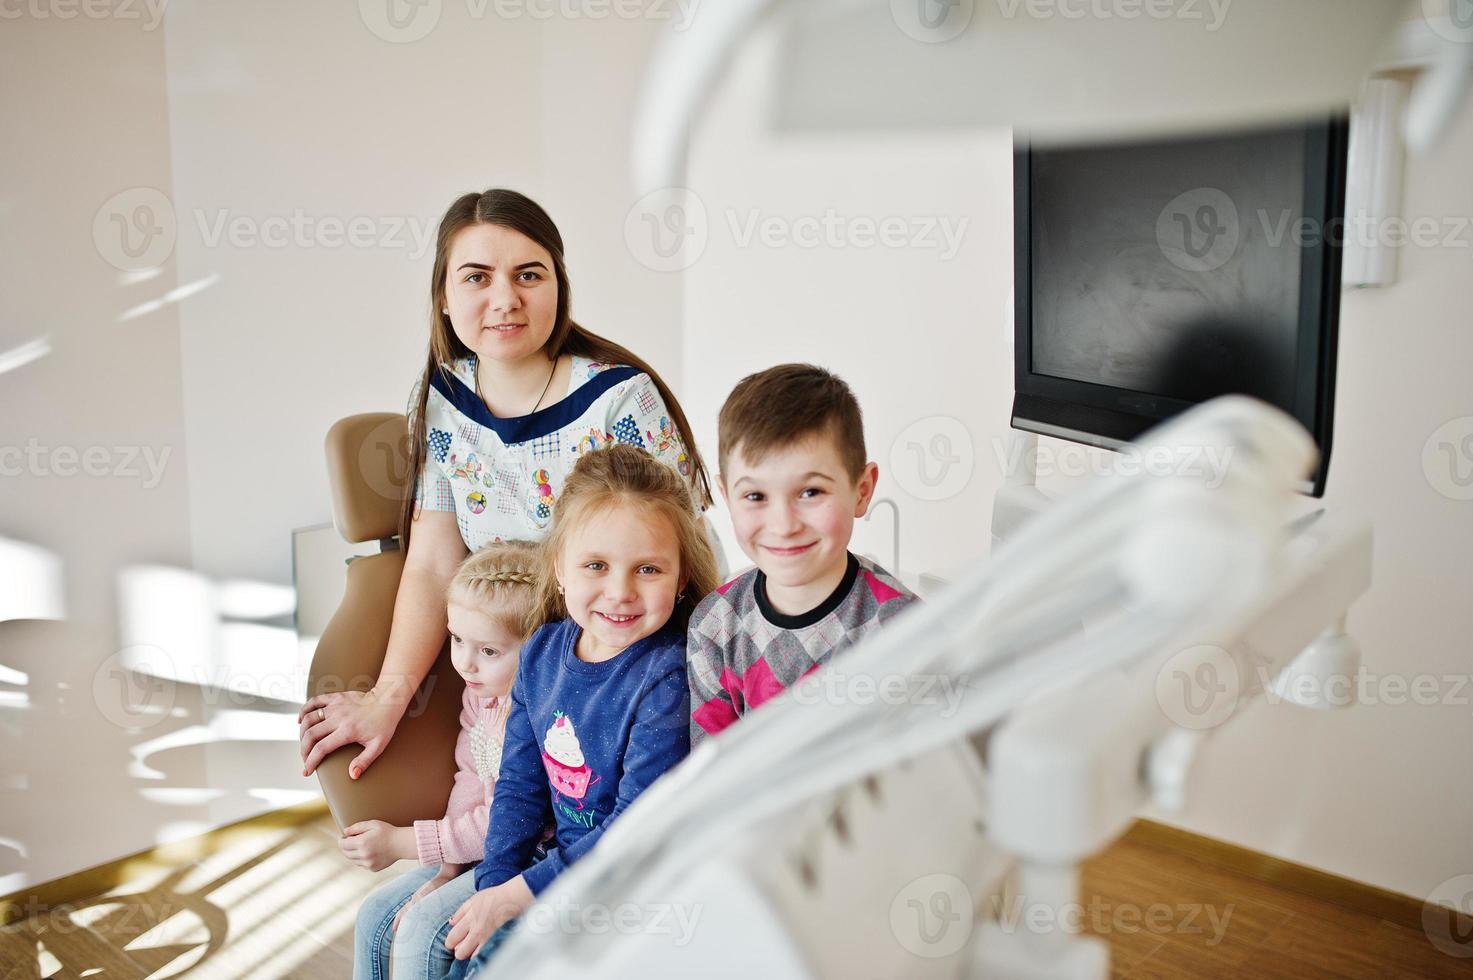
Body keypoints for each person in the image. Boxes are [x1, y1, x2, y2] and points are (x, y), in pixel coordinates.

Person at [299, 188, 712, 782]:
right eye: (476, 277)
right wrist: (386, 701)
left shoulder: (620, 400)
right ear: (443, 297)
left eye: (528, 275)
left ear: (558, 287)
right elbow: (433, 561)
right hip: (500, 697)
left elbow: (687, 564)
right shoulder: (442, 398)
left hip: (620, 684)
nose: (504, 299)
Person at [443, 443, 718, 974]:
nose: (620, 592)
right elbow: (520, 787)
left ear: (681, 578)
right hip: (556, 872)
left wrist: (517, 896)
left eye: (648, 570)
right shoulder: (542, 653)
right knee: (460, 952)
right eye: (596, 565)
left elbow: (633, 829)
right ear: (559, 567)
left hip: (627, 886)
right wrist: (495, 887)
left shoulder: (666, 675)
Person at [687, 364, 918, 745]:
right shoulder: (714, 627)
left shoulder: (901, 630)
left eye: (810, 492)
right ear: (727, 497)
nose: (784, 524)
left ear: (861, 490)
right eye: (755, 496)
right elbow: (712, 777)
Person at [348, 540, 539, 980]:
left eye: (488, 651)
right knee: (375, 913)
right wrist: (445, 871)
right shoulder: (480, 699)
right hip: (472, 851)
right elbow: (469, 779)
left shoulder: (533, 714)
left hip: (520, 857)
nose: (465, 665)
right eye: (457, 641)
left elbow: (505, 824)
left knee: (422, 932)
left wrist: (402, 843)